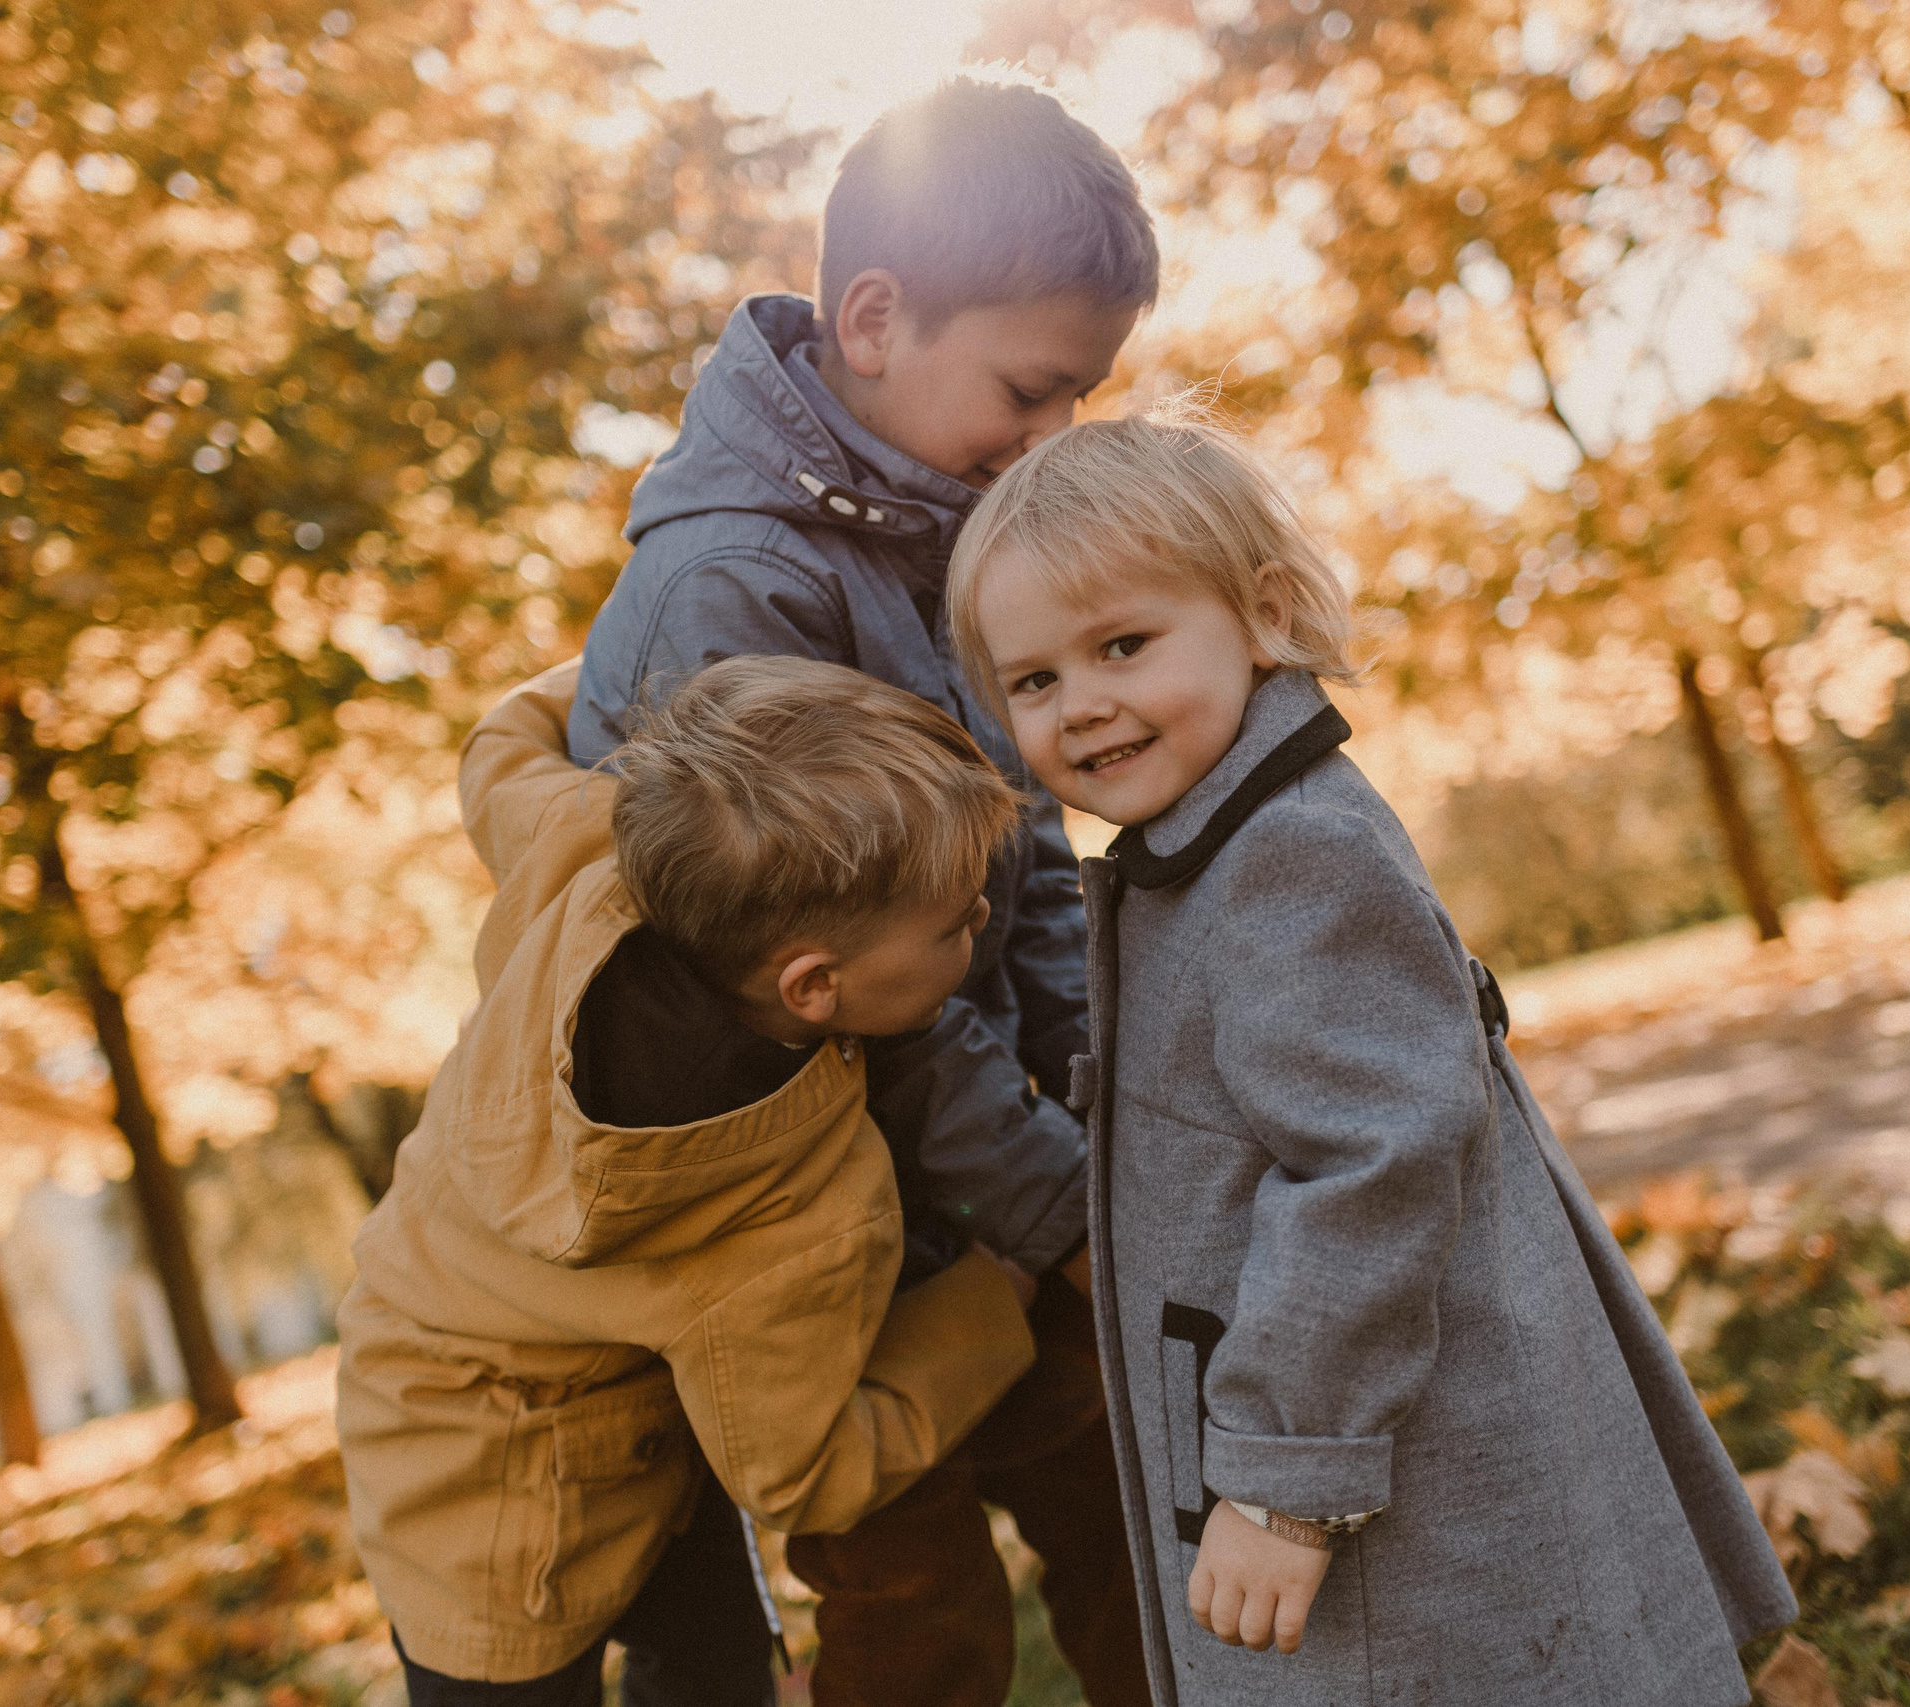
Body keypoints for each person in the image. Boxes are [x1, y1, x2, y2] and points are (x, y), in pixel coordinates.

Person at [946, 407, 1802, 1705]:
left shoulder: (1291, 855)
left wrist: (1282, 1481)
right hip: (1322, 1416)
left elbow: (1374, 1167)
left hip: (1382, 1446)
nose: (1084, 704)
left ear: (1264, 615)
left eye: (1123, 645)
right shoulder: (1202, 847)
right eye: (1034, 680)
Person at [568, 76, 1160, 1707]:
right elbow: (849, 989)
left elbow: (1022, 862)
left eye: (1080, 398)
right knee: (915, 1605)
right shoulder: (735, 589)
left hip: (979, 1167)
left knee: (1134, 1518)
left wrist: (1096, 1107)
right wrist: (1060, 1209)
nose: (1051, 436)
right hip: (816, 1226)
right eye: (1030, 389)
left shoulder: (937, 525)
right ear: (878, 319)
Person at [337, 655, 1043, 1706]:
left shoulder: (589, 840)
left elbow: (496, 753)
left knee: (714, 1669)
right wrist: (995, 1298)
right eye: (955, 924)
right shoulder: (782, 1222)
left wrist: (596, 674)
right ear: (813, 987)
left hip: (504, 1380)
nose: (982, 915)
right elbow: (806, 1471)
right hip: (472, 1505)